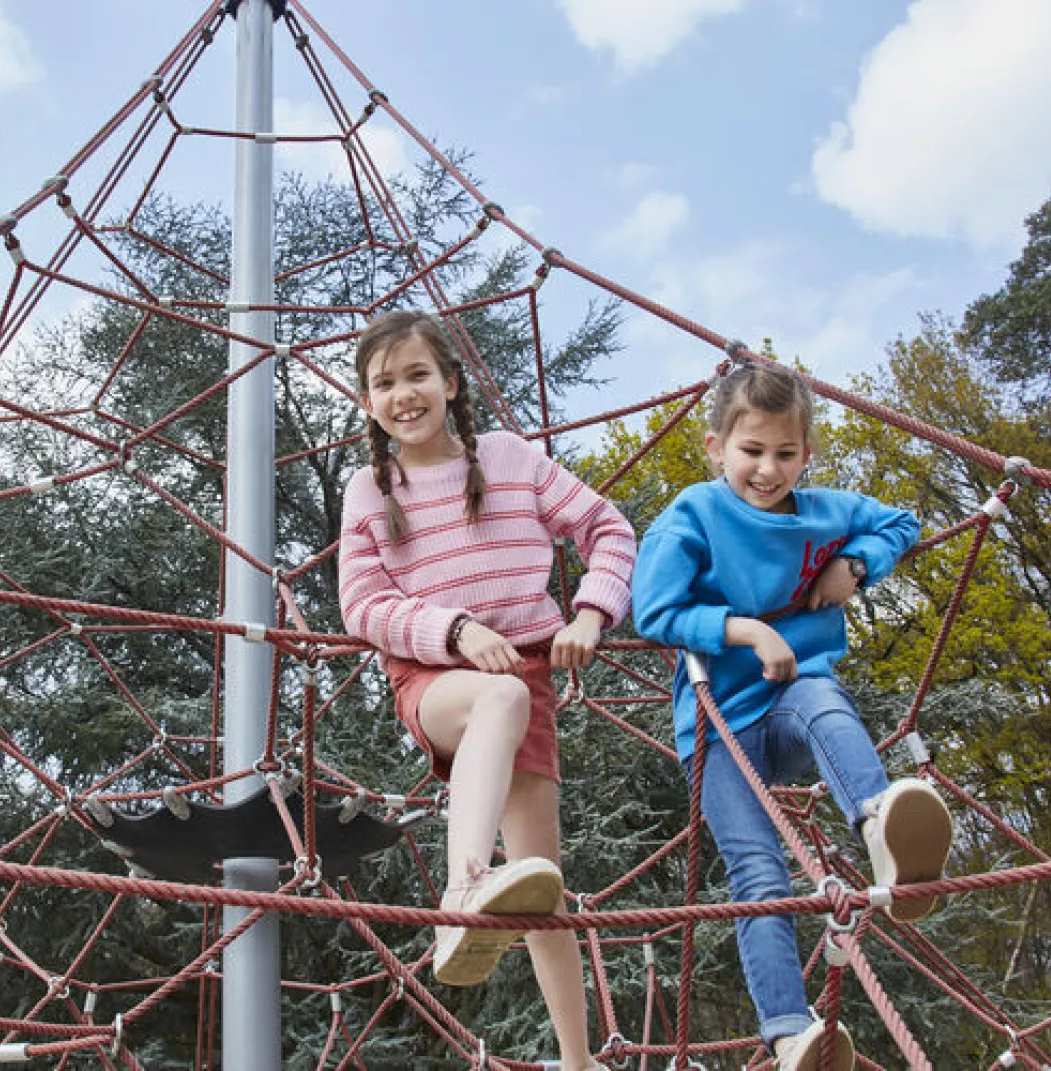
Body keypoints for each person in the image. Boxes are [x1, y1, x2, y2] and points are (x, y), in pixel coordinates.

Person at [631, 360, 954, 1070]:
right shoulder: (693, 514)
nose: (768, 469)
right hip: (718, 731)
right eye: (751, 451)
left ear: (807, 454)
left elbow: (900, 520)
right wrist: (747, 630)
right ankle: (789, 1029)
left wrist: (858, 565)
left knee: (822, 698)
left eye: (785, 453)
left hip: (790, 702)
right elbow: (654, 609)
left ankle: (879, 826)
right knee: (759, 872)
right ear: (716, 446)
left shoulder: (824, 510)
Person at [338, 310, 635, 1071]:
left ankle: (578, 1060)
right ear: (367, 402)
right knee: (498, 700)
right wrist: (456, 630)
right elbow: (362, 606)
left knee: (544, 890)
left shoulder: (507, 457)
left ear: (451, 383)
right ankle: (462, 888)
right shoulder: (370, 489)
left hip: (525, 671)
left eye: (417, 375)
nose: (404, 393)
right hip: (435, 676)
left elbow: (608, 527)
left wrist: (593, 612)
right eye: (384, 383)